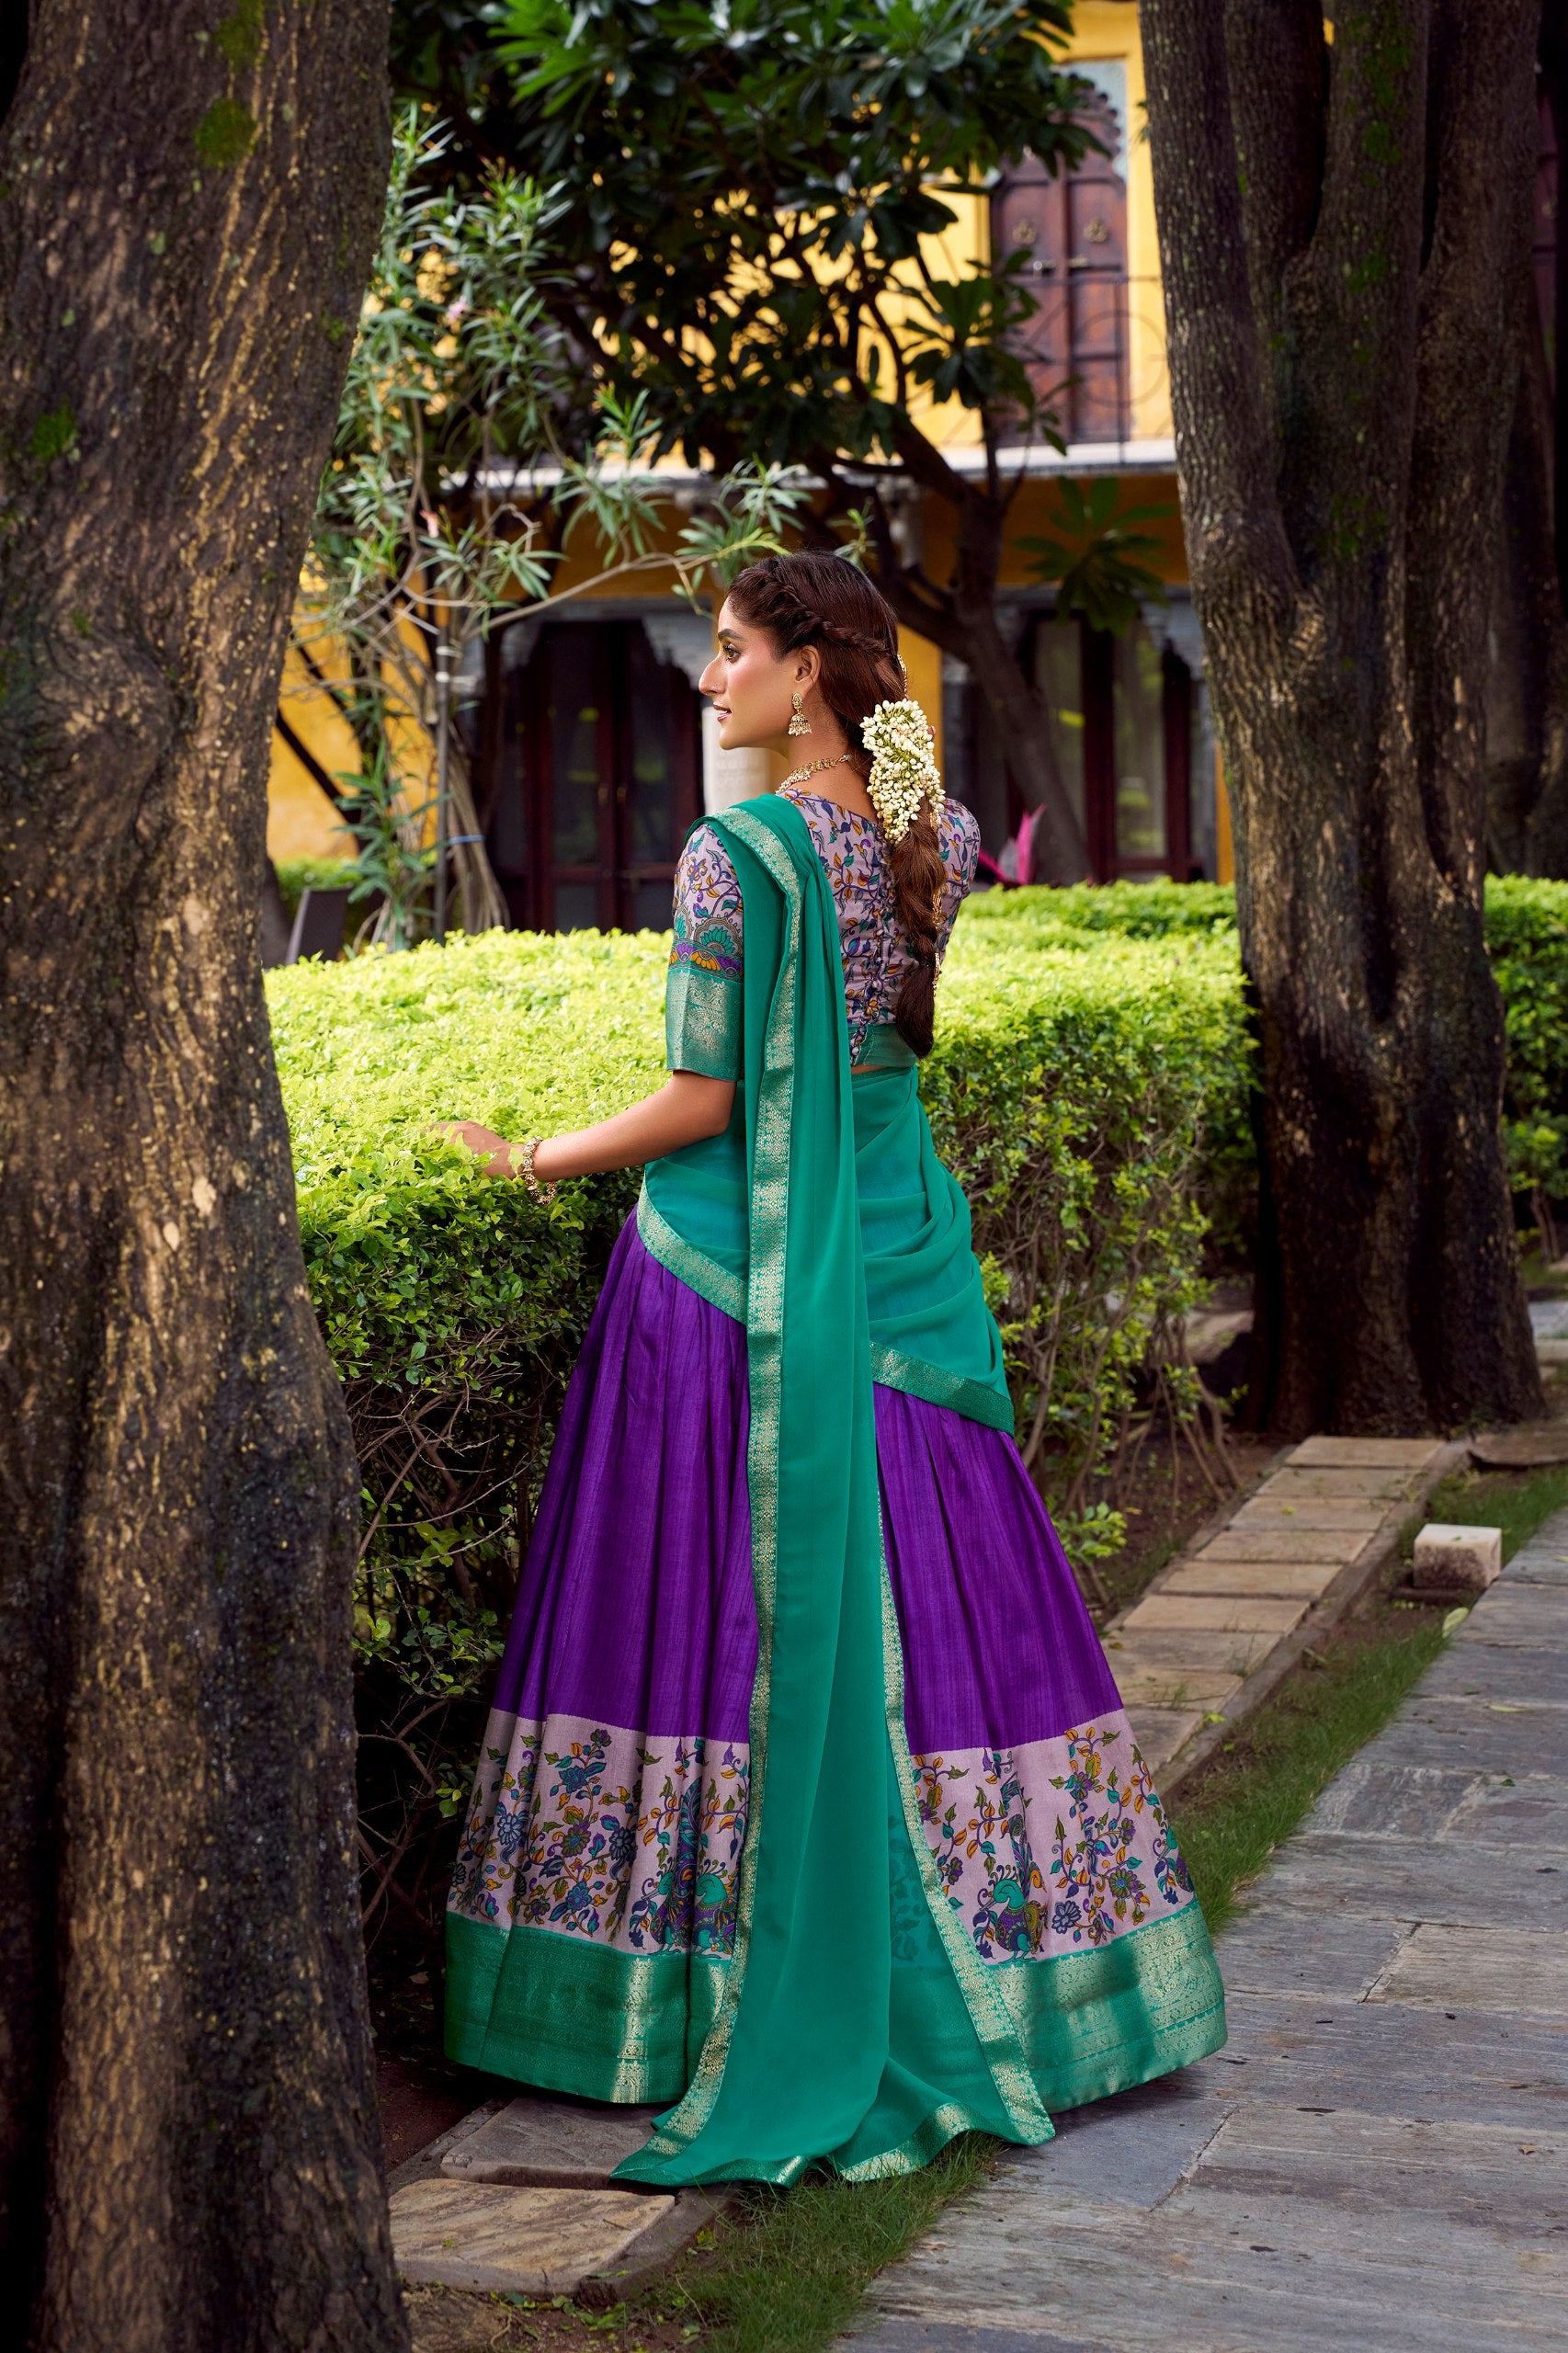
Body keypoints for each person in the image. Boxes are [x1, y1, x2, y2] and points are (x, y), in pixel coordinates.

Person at [442, 551, 1225, 2188]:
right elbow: (876, 1066)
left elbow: (704, 1103)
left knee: (715, 1618)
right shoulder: (919, 831)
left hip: (735, 1285)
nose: (706, 681)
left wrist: (527, 1158)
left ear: (808, 675)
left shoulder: (736, 854)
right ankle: (1037, 1970)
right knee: (939, 1603)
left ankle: (676, 1997)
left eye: (729, 654)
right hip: (900, 1267)